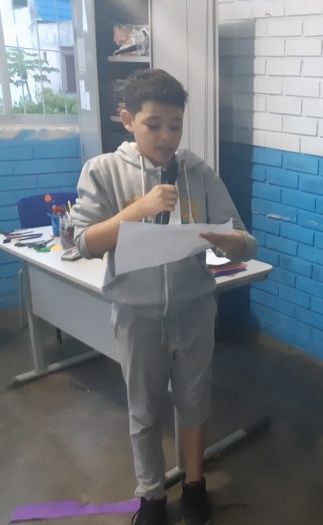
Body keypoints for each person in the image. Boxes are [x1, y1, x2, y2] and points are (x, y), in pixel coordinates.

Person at [70, 69, 258, 525]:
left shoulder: (198, 172)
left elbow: (247, 242)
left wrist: (229, 241)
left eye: (175, 125)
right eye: (153, 125)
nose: (167, 137)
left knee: (195, 401)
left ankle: (194, 485)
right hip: (137, 315)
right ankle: (151, 495)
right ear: (127, 120)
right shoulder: (104, 170)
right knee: (144, 410)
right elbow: (84, 242)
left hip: (195, 310)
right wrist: (139, 209)